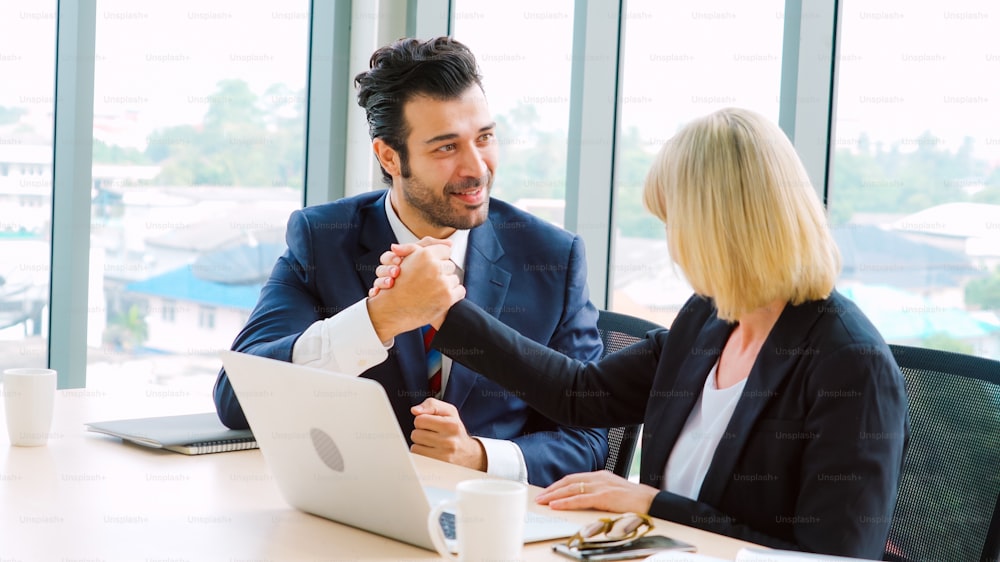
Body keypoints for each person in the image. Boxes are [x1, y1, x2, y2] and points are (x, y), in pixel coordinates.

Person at [371, 108, 909, 558]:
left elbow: (828, 559)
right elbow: (580, 395)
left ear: (719, 229)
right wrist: (444, 309)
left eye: (674, 223)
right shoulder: (711, 318)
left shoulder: (849, 363)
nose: (673, 245)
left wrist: (648, 503)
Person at [211, 36, 608, 487]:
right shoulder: (323, 239)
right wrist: (381, 318)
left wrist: (478, 456)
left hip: (487, 525)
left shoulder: (551, 259)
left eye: (485, 138)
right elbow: (236, 399)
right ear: (389, 156)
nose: (476, 167)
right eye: (446, 148)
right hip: (354, 512)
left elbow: (591, 438)